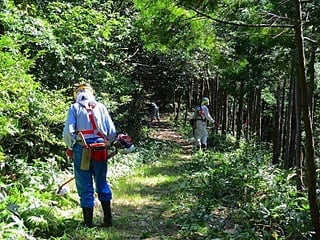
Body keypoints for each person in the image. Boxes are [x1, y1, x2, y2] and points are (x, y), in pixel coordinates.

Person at [63, 83, 116, 228]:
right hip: (100, 149)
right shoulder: (101, 107)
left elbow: (68, 132)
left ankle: (88, 224)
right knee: (101, 181)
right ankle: (108, 221)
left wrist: (69, 147)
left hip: (82, 149)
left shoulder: (74, 108)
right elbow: (111, 132)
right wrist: (106, 144)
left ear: (76, 95)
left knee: (84, 183)